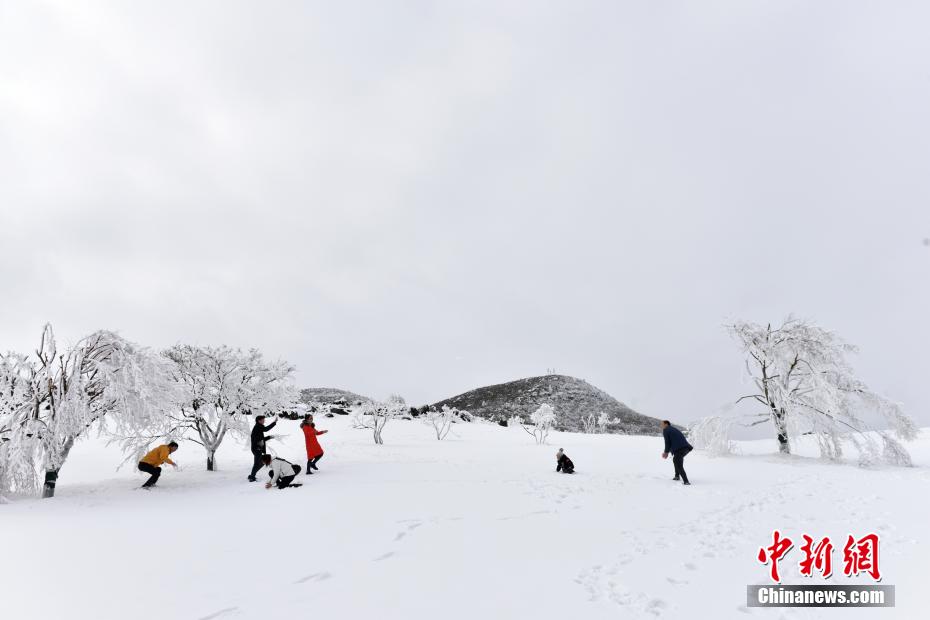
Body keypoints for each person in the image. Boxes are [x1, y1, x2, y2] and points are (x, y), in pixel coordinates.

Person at [661, 420, 693, 485]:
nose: (661, 426)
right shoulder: (673, 429)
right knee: (676, 460)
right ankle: (677, 476)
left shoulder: (666, 430)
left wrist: (666, 452)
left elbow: (667, 442)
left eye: (662, 424)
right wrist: (668, 451)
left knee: (677, 461)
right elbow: (674, 440)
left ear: (666, 424)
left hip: (680, 449)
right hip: (686, 448)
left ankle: (686, 481)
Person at [248, 414, 277, 482]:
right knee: (258, 463)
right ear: (259, 420)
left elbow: (261, 439)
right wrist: (274, 422)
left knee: (261, 463)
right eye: (263, 420)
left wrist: (269, 437)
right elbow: (266, 429)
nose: (264, 421)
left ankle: (252, 475)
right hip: (256, 449)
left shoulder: (258, 427)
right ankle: (252, 477)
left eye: (264, 419)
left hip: (258, 448)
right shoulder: (258, 427)